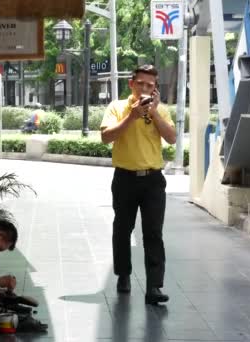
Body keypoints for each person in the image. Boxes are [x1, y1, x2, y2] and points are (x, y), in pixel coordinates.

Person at [100, 64, 176, 305]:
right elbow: (105, 137)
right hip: (125, 178)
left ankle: (154, 286)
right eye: (140, 83)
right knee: (123, 229)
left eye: (150, 85)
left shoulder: (160, 111)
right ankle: (123, 274)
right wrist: (132, 116)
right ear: (131, 84)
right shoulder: (117, 107)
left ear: (155, 90)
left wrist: (153, 114)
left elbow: (172, 138)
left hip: (153, 180)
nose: (144, 88)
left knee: (154, 232)